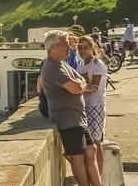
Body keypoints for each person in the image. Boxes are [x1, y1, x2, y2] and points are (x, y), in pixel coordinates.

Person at [41, 30, 102, 186]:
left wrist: (81, 85)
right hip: (68, 120)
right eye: (65, 43)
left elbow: (80, 80)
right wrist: (83, 86)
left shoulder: (62, 63)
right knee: (77, 157)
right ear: (53, 47)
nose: (70, 46)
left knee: (91, 150)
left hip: (78, 118)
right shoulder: (52, 67)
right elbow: (76, 87)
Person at [76, 36, 108, 178]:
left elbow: (93, 88)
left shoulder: (97, 65)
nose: (82, 50)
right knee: (88, 144)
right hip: (84, 107)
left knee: (95, 143)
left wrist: (75, 88)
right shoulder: (81, 64)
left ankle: (99, 176)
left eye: (85, 47)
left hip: (96, 106)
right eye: (80, 47)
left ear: (92, 47)